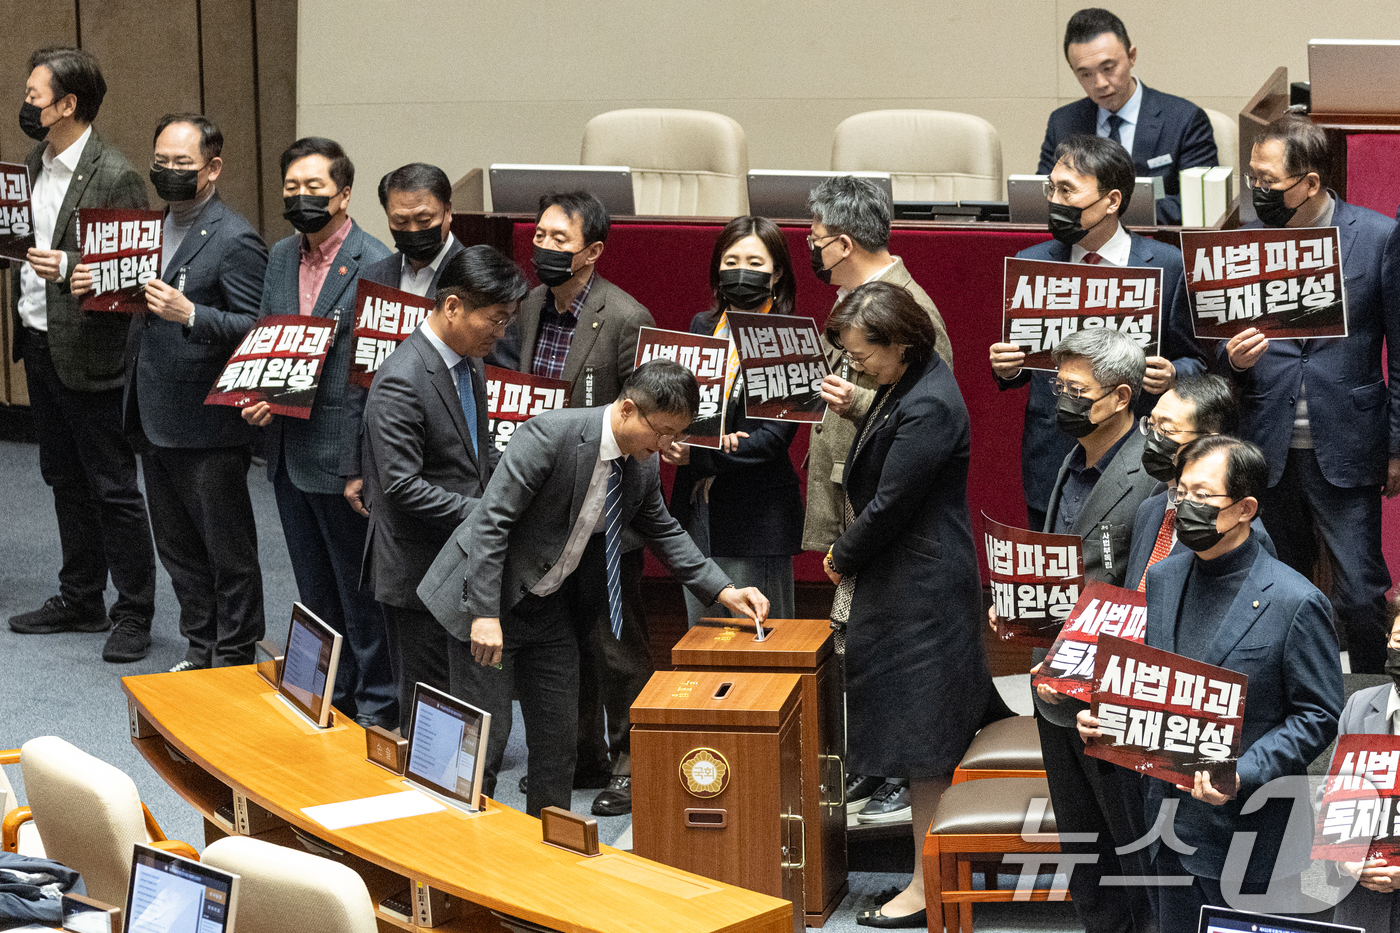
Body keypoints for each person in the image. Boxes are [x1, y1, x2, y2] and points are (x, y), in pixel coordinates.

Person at [447, 360, 771, 816]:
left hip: (548, 610)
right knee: (483, 741)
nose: (667, 446)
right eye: (661, 432)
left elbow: (663, 529)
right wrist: (483, 613)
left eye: (677, 434)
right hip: (490, 604)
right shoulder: (549, 436)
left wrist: (724, 591)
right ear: (626, 410)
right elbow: (490, 524)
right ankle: (460, 855)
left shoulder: (640, 464)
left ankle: (548, 853)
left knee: (559, 745)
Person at [1078, 436, 1343, 930]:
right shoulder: (1164, 578)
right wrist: (1107, 716)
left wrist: (1241, 771)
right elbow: (1155, 683)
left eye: (1203, 497)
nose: (1186, 507)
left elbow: (1319, 715)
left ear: (1245, 509)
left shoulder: (1295, 601)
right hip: (1164, 825)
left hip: (1249, 831)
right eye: (1180, 494)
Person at [820, 282, 1008, 928]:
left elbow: (891, 503)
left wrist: (842, 553)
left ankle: (928, 887)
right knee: (919, 737)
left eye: (861, 355)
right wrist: (859, 408)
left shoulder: (929, 402)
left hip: (924, 589)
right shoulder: (911, 382)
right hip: (911, 581)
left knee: (927, 745)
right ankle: (928, 871)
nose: (855, 367)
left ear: (899, 343)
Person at [70, 114, 268, 669]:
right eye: (161, 162)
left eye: (182, 163)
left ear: (213, 167)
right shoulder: (147, 228)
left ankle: (234, 654)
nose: (169, 172)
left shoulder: (235, 238)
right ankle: (200, 645)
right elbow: (133, 305)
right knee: (179, 550)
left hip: (206, 422)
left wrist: (194, 314)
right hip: (152, 413)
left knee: (226, 551)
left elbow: (258, 326)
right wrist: (92, 284)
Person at [486, 191, 657, 816]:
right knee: (563, 642)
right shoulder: (528, 306)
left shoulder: (625, 316)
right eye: (541, 236)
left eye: (560, 240)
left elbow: (639, 420)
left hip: (606, 510)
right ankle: (579, 754)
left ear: (593, 252)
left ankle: (633, 765)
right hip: (547, 513)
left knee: (615, 643)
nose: (543, 248)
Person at [1220, 114, 1400, 674]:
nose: (1257, 191)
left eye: (1269, 181)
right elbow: (1214, 349)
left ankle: (1373, 705)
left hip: (1348, 438)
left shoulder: (1375, 237)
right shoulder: (1246, 241)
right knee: (1279, 588)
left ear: (1312, 182)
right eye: (1252, 178)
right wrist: (1232, 359)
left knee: (1359, 592)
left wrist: (1396, 446)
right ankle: (1299, 703)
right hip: (1267, 442)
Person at [801, 175, 955, 818]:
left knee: (882, 646)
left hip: (884, 521)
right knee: (851, 642)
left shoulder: (908, 307)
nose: (808, 250)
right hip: (849, 497)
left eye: (814, 240)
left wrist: (859, 402)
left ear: (841, 243)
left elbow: (926, 418)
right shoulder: (858, 301)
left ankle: (898, 773)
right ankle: (872, 765)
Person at [6, 48, 159, 660]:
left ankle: (134, 612)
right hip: (39, 343)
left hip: (91, 353)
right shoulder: (31, 162)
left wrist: (72, 266)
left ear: (68, 104)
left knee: (113, 487)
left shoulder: (114, 173)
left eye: (35, 94)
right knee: (62, 477)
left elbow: (133, 273)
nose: (25, 102)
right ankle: (81, 597)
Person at [241, 137, 395, 728]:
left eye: (314, 187)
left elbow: (374, 377)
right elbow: (267, 334)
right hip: (286, 451)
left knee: (358, 596)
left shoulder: (373, 261)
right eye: (292, 188)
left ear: (344, 193)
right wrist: (260, 392)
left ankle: (379, 708)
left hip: (340, 454)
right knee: (314, 587)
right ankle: (332, 695)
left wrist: (363, 463)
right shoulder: (280, 256)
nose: (301, 197)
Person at [1017, 326, 1158, 933]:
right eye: (1059, 385)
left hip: (1110, 694)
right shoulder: (1071, 460)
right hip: (1055, 688)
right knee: (1084, 849)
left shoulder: (1151, 474)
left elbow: (1147, 593)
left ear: (1121, 396)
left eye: (1078, 389)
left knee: (1132, 849)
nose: (1061, 399)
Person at [991, 134, 1204, 531]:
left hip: (1137, 455)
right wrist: (1008, 368)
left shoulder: (1167, 265)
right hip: (1053, 449)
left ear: (1112, 201)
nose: (1055, 201)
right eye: (1050, 187)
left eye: (1067, 190)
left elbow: (1197, 360)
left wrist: (1174, 374)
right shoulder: (1032, 263)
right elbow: (1023, 362)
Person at [361, 246, 526, 732]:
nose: (502, 334)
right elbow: (400, 487)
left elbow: (476, 451)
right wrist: (488, 512)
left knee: (462, 700)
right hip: (417, 568)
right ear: (452, 307)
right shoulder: (402, 379)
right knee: (428, 710)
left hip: (456, 556)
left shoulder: (467, 360)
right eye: (495, 321)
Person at [664, 216, 802, 625]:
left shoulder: (788, 338)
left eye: (756, 263)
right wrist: (672, 440)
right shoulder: (702, 327)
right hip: (696, 508)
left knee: (755, 638)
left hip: (754, 514)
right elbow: (689, 412)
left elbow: (771, 439)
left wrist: (699, 455)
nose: (742, 271)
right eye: (731, 260)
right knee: (703, 635)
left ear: (776, 275)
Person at [340, 162, 466, 519]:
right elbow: (359, 378)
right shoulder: (376, 275)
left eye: (424, 220)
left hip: (450, 466)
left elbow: (495, 378)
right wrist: (354, 466)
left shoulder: (477, 275)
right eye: (399, 222)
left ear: (448, 212)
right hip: (384, 458)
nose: (412, 229)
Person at [1036, 8, 1217, 225]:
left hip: (1155, 242)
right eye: (1085, 74)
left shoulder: (1184, 119)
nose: (1100, 83)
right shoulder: (1063, 122)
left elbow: (1199, 204)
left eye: (1108, 68)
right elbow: (1044, 199)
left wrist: (1103, 211)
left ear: (1131, 57)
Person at [1124, 374, 1278, 591]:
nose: (1153, 437)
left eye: (1166, 429)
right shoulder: (1149, 509)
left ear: (1209, 441)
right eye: (1151, 424)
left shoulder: (1241, 532)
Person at [1326, 595, 1400, 931]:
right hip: (1363, 908)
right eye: (1399, 639)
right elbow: (1331, 800)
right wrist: (1346, 860)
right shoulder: (1359, 705)